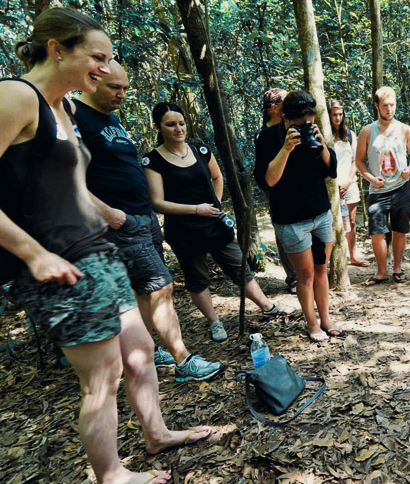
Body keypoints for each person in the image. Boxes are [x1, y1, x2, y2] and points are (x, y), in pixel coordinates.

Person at [0, 7, 209, 484]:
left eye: (108, 58)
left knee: (139, 356)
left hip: (98, 251)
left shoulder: (63, 108)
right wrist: (33, 255)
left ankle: (156, 433)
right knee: (103, 377)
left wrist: (105, 212)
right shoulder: (15, 96)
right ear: (58, 49)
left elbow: (67, 184)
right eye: (97, 56)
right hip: (59, 264)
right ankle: (110, 479)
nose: (103, 67)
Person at [75, 61, 223, 382]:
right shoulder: (74, 114)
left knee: (144, 291)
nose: (121, 94)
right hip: (120, 223)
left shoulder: (110, 118)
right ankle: (183, 361)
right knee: (162, 286)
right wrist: (108, 213)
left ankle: (151, 349)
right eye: (115, 87)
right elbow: (65, 176)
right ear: (91, 80)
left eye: (125, 88)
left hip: (143, 217)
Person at [142, 103, 281, 343]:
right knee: (197, 279)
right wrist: (196, 210)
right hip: (184, 229)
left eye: (181, 123)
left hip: (214, 223)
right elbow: (157, 202)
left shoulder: (200, 150)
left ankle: (267, 306)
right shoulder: (152, 160)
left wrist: (215, 204)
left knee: (238, 266)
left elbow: (217, 177)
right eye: (170, 124)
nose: (178, 129)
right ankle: (214, 322)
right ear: (158, 127)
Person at [254, 91, 344, 342]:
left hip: (320, 215)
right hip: (292, 221)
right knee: (305, 276)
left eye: (309, 121)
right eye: (299, 123)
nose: (304, 126)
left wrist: (322, 144)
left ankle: (326, 319)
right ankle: (312, 324)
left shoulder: (312, 132)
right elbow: (267, 181)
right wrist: (286, 149)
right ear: (284, 116)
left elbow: (332, 170)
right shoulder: (268, 138)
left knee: (321, 270)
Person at [356, 86, 410, 285]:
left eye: (392, 105)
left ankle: (398, 268)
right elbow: (359, 161)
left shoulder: (405, 129)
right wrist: (370, 179)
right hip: (377, 190)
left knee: (400, 229)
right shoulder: (367, 131)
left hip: (401, 187)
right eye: (385, 105)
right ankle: (381, 271)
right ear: (377, 106)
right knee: (377, 232)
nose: (389, 109)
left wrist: (409, 169)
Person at [260, 88, 297, 293]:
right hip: (278, 193)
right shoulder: (263, 135)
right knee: (284, 233)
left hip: (299, 190)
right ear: (274, 108)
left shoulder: (293, 126)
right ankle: (292, 276)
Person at [329, 98, 368, 267]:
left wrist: (348, 181)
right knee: (330, 223)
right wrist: (335, 184)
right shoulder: (324, 135)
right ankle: (334, 259)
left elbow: (356, 160)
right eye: (334, 115)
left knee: (351, 222)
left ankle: (353, 256)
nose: (337, 118)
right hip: (330, 186)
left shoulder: (350, 135)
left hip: (349, 184)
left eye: (340, 114)